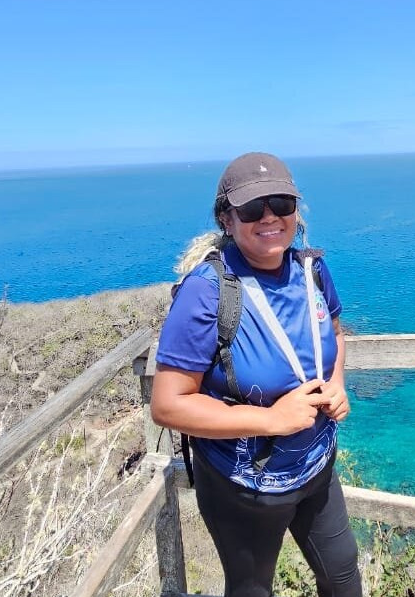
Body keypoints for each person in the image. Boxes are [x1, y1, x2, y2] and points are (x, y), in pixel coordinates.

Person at [151, 152, 362, 597]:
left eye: (281, 204)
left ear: (296, 212)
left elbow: (335, 336)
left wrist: (337, 382)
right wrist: (271, 420)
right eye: (251, 209)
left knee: (343, 575)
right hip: (244, 487)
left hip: (316, 463)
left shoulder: (312, 271)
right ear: (227, 220)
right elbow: (168, 404)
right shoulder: (207, 291)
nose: (269, 217)